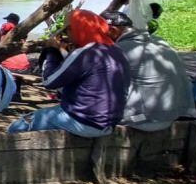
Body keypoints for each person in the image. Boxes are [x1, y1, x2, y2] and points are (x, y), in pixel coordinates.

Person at [8, 9, 130, 137]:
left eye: (67, 30)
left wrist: (51, 51)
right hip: (109, 123)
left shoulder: (85, 52)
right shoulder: (117, 50)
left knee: (19, 125)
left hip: (84, 120)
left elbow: (49, 81)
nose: (67, 35)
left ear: (76, 29)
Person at [102, 10, 195, 131]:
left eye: (101, 33)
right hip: (173, 115)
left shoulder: (119, 49)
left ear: (113, 31)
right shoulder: (161, 42)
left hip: (143, 120)